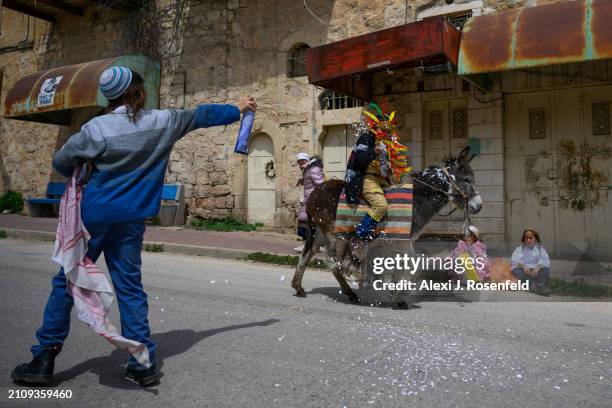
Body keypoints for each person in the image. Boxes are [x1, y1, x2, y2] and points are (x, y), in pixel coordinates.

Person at [11, 66, 257, 387]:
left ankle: (44, 356)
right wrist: (238, 108)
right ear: (139, 92)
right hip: (131, 220)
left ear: (110, 96)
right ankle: (142, 363)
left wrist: (86, 164)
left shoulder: (96, 128)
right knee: (129, 285)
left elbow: (61, 161)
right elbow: (201, 115)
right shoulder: (164, 122)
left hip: (94, 217)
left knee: (68, 282)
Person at [295, 152, 324, 252]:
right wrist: (303, 179)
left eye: (303, 161)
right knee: (311, 223)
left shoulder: (313, 169)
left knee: (306, 223)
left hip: (314, 201)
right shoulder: (309, 170)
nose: (301, 164)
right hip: (309, 200)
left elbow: (321, 184)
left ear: (308, 161)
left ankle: (307, 245)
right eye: (299, 162)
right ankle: (314, 245)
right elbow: (311, 183)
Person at [511, 228, 551, 296]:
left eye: (531, 238)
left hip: (535, 268)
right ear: (524, 239)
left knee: (545, 270)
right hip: (523, 268)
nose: (528, 240)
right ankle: (532, 286)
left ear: (535, 239)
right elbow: (515, 259)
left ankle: (541, 285)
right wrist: (524, 267)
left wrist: (538, 268)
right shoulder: (520, 249)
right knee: (519, 273)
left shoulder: (540, 249)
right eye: (526, 238)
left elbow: (545, 259)